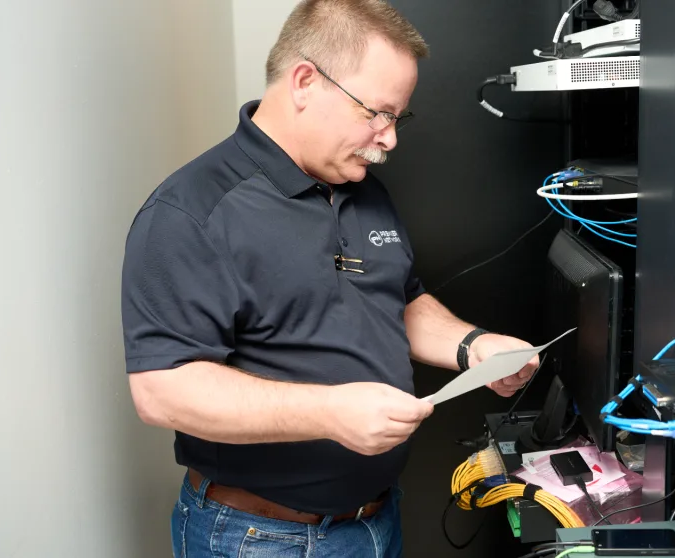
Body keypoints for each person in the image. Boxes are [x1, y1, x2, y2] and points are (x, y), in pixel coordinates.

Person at [119, 1, 539, 556]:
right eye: (377, 112)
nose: (389, 138)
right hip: (261, 537)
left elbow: (399, 297)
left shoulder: (362, 186)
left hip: (377, 520)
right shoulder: (190, 212)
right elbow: (162, 391)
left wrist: (473, 346)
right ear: (304, 81)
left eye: (398, 117)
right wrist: (331, 412)